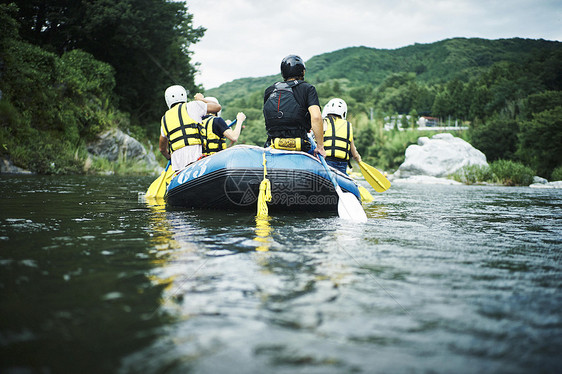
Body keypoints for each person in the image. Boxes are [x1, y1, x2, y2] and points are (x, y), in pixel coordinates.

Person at [263, 55, 325, 157]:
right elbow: (316, 117)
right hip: (300, 143)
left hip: (272, 143)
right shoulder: (307, 88)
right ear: (302, 71)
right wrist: (320, 147)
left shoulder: (269, 90)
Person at [159, 86, 221, 171]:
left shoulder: (164, 119)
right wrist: (202, 99)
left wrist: (169, 158)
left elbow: (162, 149)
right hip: (196, 160)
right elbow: (217, 107)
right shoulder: (193, 105)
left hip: (178, 166)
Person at [322, 98, 362, 174]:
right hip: (342, 166)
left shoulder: (323, 122)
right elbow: (355, 154)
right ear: (344, 113)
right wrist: (359, 160)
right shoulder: (348, 126)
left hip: (326, 163)